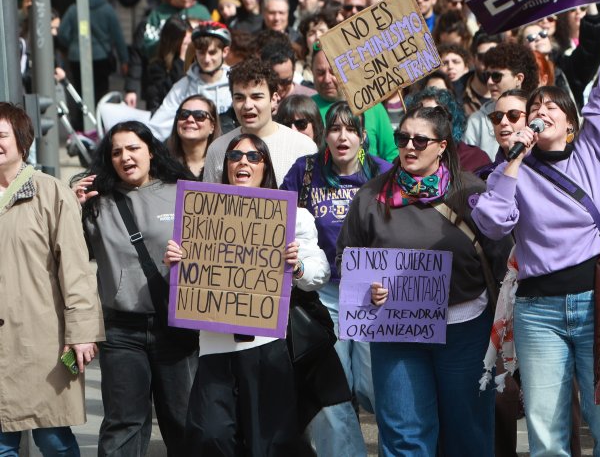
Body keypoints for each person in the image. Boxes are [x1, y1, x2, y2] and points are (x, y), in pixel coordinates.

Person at [472, 0, 600, 456]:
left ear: (571, 122)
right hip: (539, 312)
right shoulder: (509, 171)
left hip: (598, 304)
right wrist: (513, 163)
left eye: (551, 107)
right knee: (546, 434)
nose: (540, 112)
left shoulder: (591, 152)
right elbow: (492, 224)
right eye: (532, 109)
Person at [336, 106, 501, 455]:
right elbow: (347, 260)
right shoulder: (369, 196)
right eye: (402, 138)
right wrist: (367, 287)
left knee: (467, 433)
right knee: (404, 437)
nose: (409, 146)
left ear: (442, 145)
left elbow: (502, 260)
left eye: (420, 140)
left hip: (465, 333)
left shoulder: (472, 193)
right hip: (396, 332)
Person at [166, 135, 329, 455]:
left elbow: (318, 274)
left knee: (267, 442)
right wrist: (176, 261)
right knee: (211, 435)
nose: (243, 161)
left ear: (265, 167)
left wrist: (296, 268)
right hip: (215, 348)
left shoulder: (293, 216)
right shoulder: (198, 216)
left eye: (254, 156)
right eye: (235, 155)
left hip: (265, 349)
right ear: (225, 166)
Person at [74, 121, 198, 456]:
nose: (125, 157)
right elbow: (67, 256)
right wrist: (70, 210)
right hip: (121, 331)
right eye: (116, 152)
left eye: (133, 148)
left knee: (184, 421)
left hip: (177, 326)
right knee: (123, 424)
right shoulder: (95, 202)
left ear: (151, 151)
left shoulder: (184, 192)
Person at [281, 101, 389, 455]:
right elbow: (276, 217)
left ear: (363, 137)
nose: (342, 137)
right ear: (324, 134)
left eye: (350, 130)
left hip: (373, 293)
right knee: (336, 388)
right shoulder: (305, 171)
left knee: (378, 387)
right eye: (334, 129)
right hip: (325, 293)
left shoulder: (384, 171)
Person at [0, 103, 104, 456]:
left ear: (22, 141)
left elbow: (75, 269)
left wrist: (82, 332)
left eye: (1, 135)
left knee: (53, 439)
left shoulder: (51, 192)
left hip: (43, 339)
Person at [202, 58, 318, 183]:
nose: (247, 105)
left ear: (274, 99)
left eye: (256, 97)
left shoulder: (304, 148)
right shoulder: (217, 149)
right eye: (239, 98)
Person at [309, 48, 400, 162]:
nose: (327, 79)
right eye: (320, 73)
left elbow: (392, 153)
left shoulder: (371, 105)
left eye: (334, 72)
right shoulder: (307, 108)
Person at [148, 22, 235, 141]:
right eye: (201, 52)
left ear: (225, 52)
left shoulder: (235, 83)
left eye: (212, 52)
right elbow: (158, 128)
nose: (206, 59)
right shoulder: (183, 86)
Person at [461, 42, 540, 159]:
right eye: (487, 75)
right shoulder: (477, 121)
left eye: (496, 76)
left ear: (519, 78)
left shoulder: (541, 115)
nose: (489, 82)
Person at [167, 94, 219, 178]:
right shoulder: (162, 163)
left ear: (212, 126)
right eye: (184, 114)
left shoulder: (224, 164)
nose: (190, 119)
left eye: (199, 115)